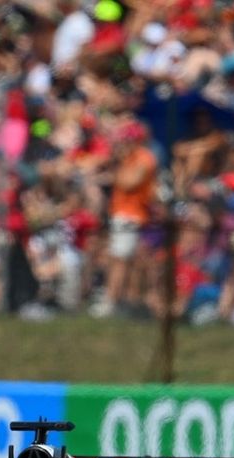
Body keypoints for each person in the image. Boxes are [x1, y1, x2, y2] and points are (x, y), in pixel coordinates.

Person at [91, 120, 157, 317]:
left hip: (131, 216)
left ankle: (111, 302)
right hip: (122, 214)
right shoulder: (130, 159)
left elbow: (128, 182)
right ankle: (117, 300)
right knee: (119, 259)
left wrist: (116, 167)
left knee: (121, 260)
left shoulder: (143, 158)